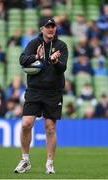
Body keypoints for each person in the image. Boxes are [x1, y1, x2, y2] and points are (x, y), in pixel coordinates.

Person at [14, 18, 68, 174]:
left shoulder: (61, 46)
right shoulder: (33, 44)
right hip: (34, 90)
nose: (51, 29)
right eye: (48, 27)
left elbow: (62, 68)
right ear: (41, 29)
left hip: (53, 92)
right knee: (26, 124)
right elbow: (22, 60)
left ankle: (50, 163)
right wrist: (36, 57)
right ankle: (25, 160)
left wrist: (55, 61)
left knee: (50, 128)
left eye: (53, 27)